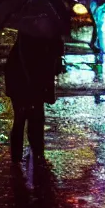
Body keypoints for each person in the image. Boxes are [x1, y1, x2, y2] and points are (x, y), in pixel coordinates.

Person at [5, 31, 65, 163]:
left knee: (28, 118)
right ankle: (32, 156)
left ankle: (30, 156)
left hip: (26, 79)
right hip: (23, 80)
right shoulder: (39, 36)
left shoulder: (32, 31)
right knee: (28, 118)